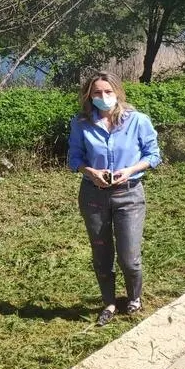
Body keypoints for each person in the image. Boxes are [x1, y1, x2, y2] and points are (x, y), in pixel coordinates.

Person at [68, 71, 162, 326]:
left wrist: (130, 170)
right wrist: (89, 171)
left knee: (129, 257)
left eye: (108, 92)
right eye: (97, 93)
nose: (103, 97)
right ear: (89, 96)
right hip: (93, 195)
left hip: (129, 194)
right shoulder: (80, 123)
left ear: (118, 92)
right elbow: (74, 158)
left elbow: (153, 155)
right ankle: (109, 301)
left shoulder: (138, 121)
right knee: (101, 254)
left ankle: (134, 296)